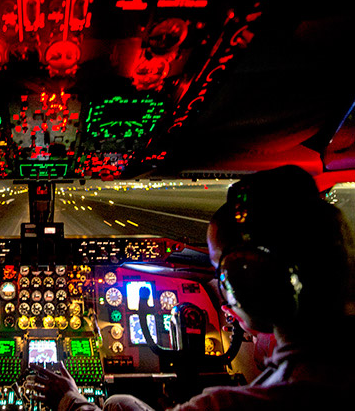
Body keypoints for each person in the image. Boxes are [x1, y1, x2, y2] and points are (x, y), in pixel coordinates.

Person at [30, 165, 355, 410]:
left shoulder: (224, 404)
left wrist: (70, 400)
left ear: (250, 281)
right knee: (118, 402)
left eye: (222, 271)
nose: (224, 293)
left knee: (117, 403)